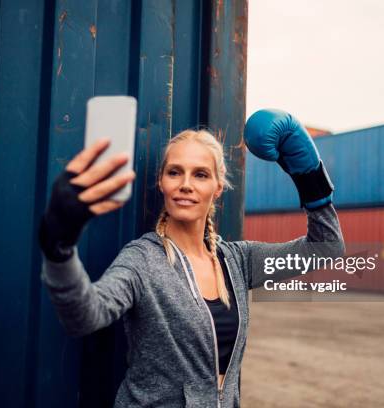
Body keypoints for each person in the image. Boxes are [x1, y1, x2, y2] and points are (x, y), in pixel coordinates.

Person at [38, 109, 345, 407]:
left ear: (217, 188)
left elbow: (326, 247)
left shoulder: (237, 260)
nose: (186, 184)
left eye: (200, 174)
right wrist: (58, 247)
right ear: (162, 182)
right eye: (175, 172)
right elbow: (86, 316)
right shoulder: (142, 260)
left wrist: (310, 177)